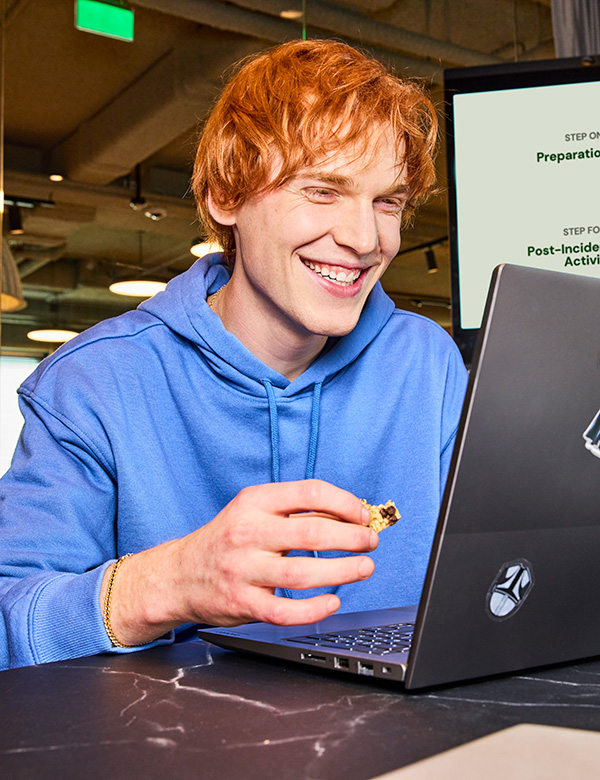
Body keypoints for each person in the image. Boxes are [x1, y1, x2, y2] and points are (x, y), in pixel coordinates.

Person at [0, 39, 467, 669]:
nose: (364, 240)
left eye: (387, 202)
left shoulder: (427, 365)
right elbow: (9, 623)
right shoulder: (93, 382)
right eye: (323, 191)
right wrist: (167, 583)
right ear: (227, 197)